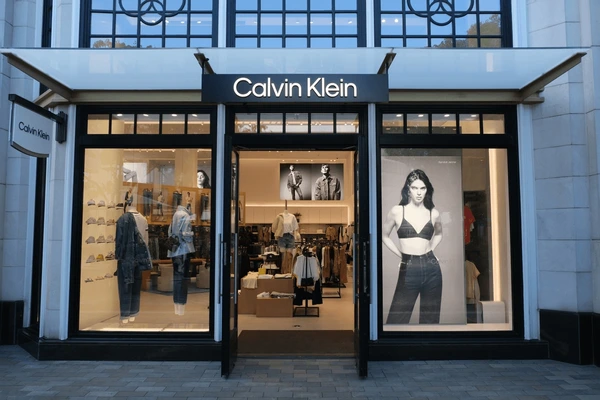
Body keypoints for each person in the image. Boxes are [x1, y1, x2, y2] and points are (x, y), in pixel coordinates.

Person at [382, 169, 443, 324]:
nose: (419, 192)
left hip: (431, 267)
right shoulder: (397, 211)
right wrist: (402, 255)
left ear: (427, 190)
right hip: (408, 266)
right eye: (415, 188)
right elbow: (384, 236)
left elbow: (439, 234)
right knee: (397, 320)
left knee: (430, 320)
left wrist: (431, 249)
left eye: (422, 188)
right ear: (408, 190)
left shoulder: (433, 213)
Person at [168, 204, 195, 316]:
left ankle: (176, 306)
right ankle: (181, 307)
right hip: (183, 250)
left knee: (177, 278)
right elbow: (185, 234)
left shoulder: (175, 215)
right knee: (183, 279)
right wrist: (192, 233)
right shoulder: (185, 215)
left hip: (175, 251)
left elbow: (170, 232)